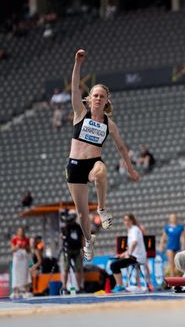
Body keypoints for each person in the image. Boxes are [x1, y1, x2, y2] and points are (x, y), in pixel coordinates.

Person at [66, 49, 140, 261]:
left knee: (100, 171)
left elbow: (122, 148)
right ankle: (89, 241)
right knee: (81, 215)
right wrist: (77, 64)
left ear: (107, 100)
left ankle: (102, 208)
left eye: (102, 96)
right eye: (95, 95)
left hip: (92, 163)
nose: (98, 98)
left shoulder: (110, 124)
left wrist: (131, 169)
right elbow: (73, 88)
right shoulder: (80, 113)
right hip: (74, 166)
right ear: (89, 99)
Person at [110, 214, 147, 293]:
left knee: (114, 265)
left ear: (132, 221)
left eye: (127, 220)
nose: (126, 222)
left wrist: (128, 254)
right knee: (115, 263)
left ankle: (119, 285)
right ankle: (119, 285)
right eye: (125, 220)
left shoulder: (134, 229)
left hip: (137, 257)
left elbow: (134, 243)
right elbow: (131, 247)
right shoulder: (131, 230)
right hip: (134, 256)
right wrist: (122, 255)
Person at [60, 210, 84, 294]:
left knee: (78, 269)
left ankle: (79, 287)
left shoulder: (78, 227)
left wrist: (83, 249)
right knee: (66, 268)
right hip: (68, 249)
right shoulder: (66, 226)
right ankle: (64, 287)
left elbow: (81, 238)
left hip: (77, 249)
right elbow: (62, 236)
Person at [10, 227, 31, 299]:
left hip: (24, 259)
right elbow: (12, 250)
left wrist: (25, 247)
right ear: (17, 232)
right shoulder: (14, 239)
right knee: (16, 275)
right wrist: (17, 246)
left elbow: (29, 250)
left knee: (25, 274)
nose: (21, 233)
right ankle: (16, 291)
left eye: (22, 231)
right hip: (17, 259)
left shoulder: (26, 239)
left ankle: (25, 290)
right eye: (19, 231)